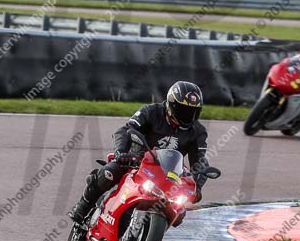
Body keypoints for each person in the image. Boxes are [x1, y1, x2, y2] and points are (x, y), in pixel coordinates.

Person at [70, 81, 210, 224]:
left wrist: (196, 187)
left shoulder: (198, 132)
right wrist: (121, 153)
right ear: (171, 104)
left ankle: (146, 236)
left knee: (178, 214)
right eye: (184, 110)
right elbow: (125, 130)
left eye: (193, 111)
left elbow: (199, 162)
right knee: (109, 173)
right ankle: (83, 206)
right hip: (136, 162)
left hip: (168, 175)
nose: (188, 116)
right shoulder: (151, 112)